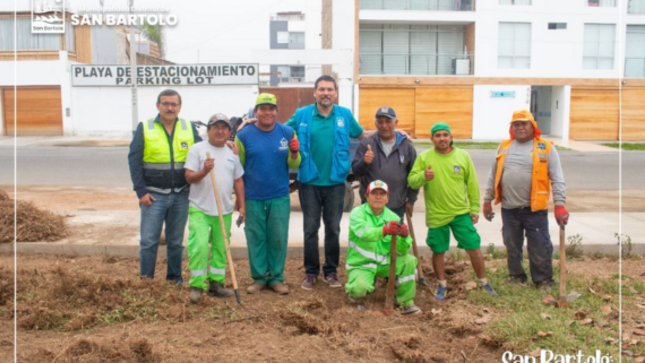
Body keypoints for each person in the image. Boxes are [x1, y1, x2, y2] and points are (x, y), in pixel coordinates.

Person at [284, 75, 370, 290]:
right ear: (315, 92)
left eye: (329, 89)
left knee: (333, 229)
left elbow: (363, 135)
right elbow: (280, 132)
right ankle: (311, 273)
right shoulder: (302, 114)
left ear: (335, 93)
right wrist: (251, 123)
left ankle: (331, 272)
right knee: (310, 229)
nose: (325, 93)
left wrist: (393, 132)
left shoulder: (344, 115)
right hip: (309, 181)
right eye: (321, 89)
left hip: (335, 182)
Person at [408, 122, 499, 300]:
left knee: (474, 248)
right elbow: (412, 181)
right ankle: (442, 285)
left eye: (445, 135)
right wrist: (423, 177)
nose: (442, 138)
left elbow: (472, 184)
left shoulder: (463, 156)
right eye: (438, 135)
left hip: (460, 213)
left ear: (451, 137)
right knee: (438, 250)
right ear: (431, 138)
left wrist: (474, 209)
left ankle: (483, 283)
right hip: (437, 215)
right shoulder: (425, 157)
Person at [482, 109, 568, 291]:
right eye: (516, 124)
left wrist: (560, 204)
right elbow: (493, 174)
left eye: (524, 123)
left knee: (540, 245)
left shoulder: (546, 147)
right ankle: (516, 275)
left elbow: (557, 177)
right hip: (509, 208)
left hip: (534, 209)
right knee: (511, 244)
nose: (520, 127)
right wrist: (487, 200)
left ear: (532, 126)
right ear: (512, 127)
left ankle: (543, 280)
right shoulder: (504, 146)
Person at [128, 89, 201, 284]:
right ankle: (147, 281)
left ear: (179, 106)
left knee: (175, 242)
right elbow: (134, 161)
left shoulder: (188, 127)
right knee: (148, 242)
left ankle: (174, 279)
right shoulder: (145, 127)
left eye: (174, 104)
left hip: (180, 195)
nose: (170, 107)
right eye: (165, 103)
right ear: (158, 106)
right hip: (153, 196)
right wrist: (140, 192)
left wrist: (227, 144)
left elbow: (203, 150)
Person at [235, 93, 301, 295]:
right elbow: (238, 169)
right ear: (256, 111)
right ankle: (259, 278)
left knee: (278, 238)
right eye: (262, 108)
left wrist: (294, 153)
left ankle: (276, 278)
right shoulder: (244, 135)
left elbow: (294, 165)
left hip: (279, 196)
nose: (267, 112)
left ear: (276, 111)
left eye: (271, 108)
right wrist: (240, 198)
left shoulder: (287, 132)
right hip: (253, 196)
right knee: (256, 238)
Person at [184, 114, 245, 304]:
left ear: (229, 131)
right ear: (208, 130)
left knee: (221, 248)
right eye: (215, 127)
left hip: (224, 209)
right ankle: (197, 285)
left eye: (224, 128)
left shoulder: (231, 153)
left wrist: (242, 205)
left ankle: (216, 284)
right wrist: (204, 171)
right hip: (200, 207)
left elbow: (238, 179)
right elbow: (189, 177)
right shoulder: (198, 149)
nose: (220, 131)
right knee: (199, 246)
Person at [345, 180, 421, 315]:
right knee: (358, 289)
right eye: (374, 194)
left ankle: (405, 302)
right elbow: (365, 233)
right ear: (366, 196)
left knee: (409, 260)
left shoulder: (393, 217)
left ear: (387, 198)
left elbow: (402, 250)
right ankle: (356, 296)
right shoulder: (357, 213)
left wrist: (404, 237)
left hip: (384, 263)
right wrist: (384, 230)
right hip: (361, 264)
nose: (378, 197)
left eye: (382, 194)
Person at [351, 106, 419, 220]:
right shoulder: (366, 144)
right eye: (380, 122)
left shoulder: (407, 146)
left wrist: (411, 201)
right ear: (376, 124)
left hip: (396, 205)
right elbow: (356, 171)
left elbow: (414, 176)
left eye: (388, 121)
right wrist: (364, 162)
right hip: (370, 206)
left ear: (395, 122)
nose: (384, 125)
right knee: (371, 236)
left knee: (394, 237)